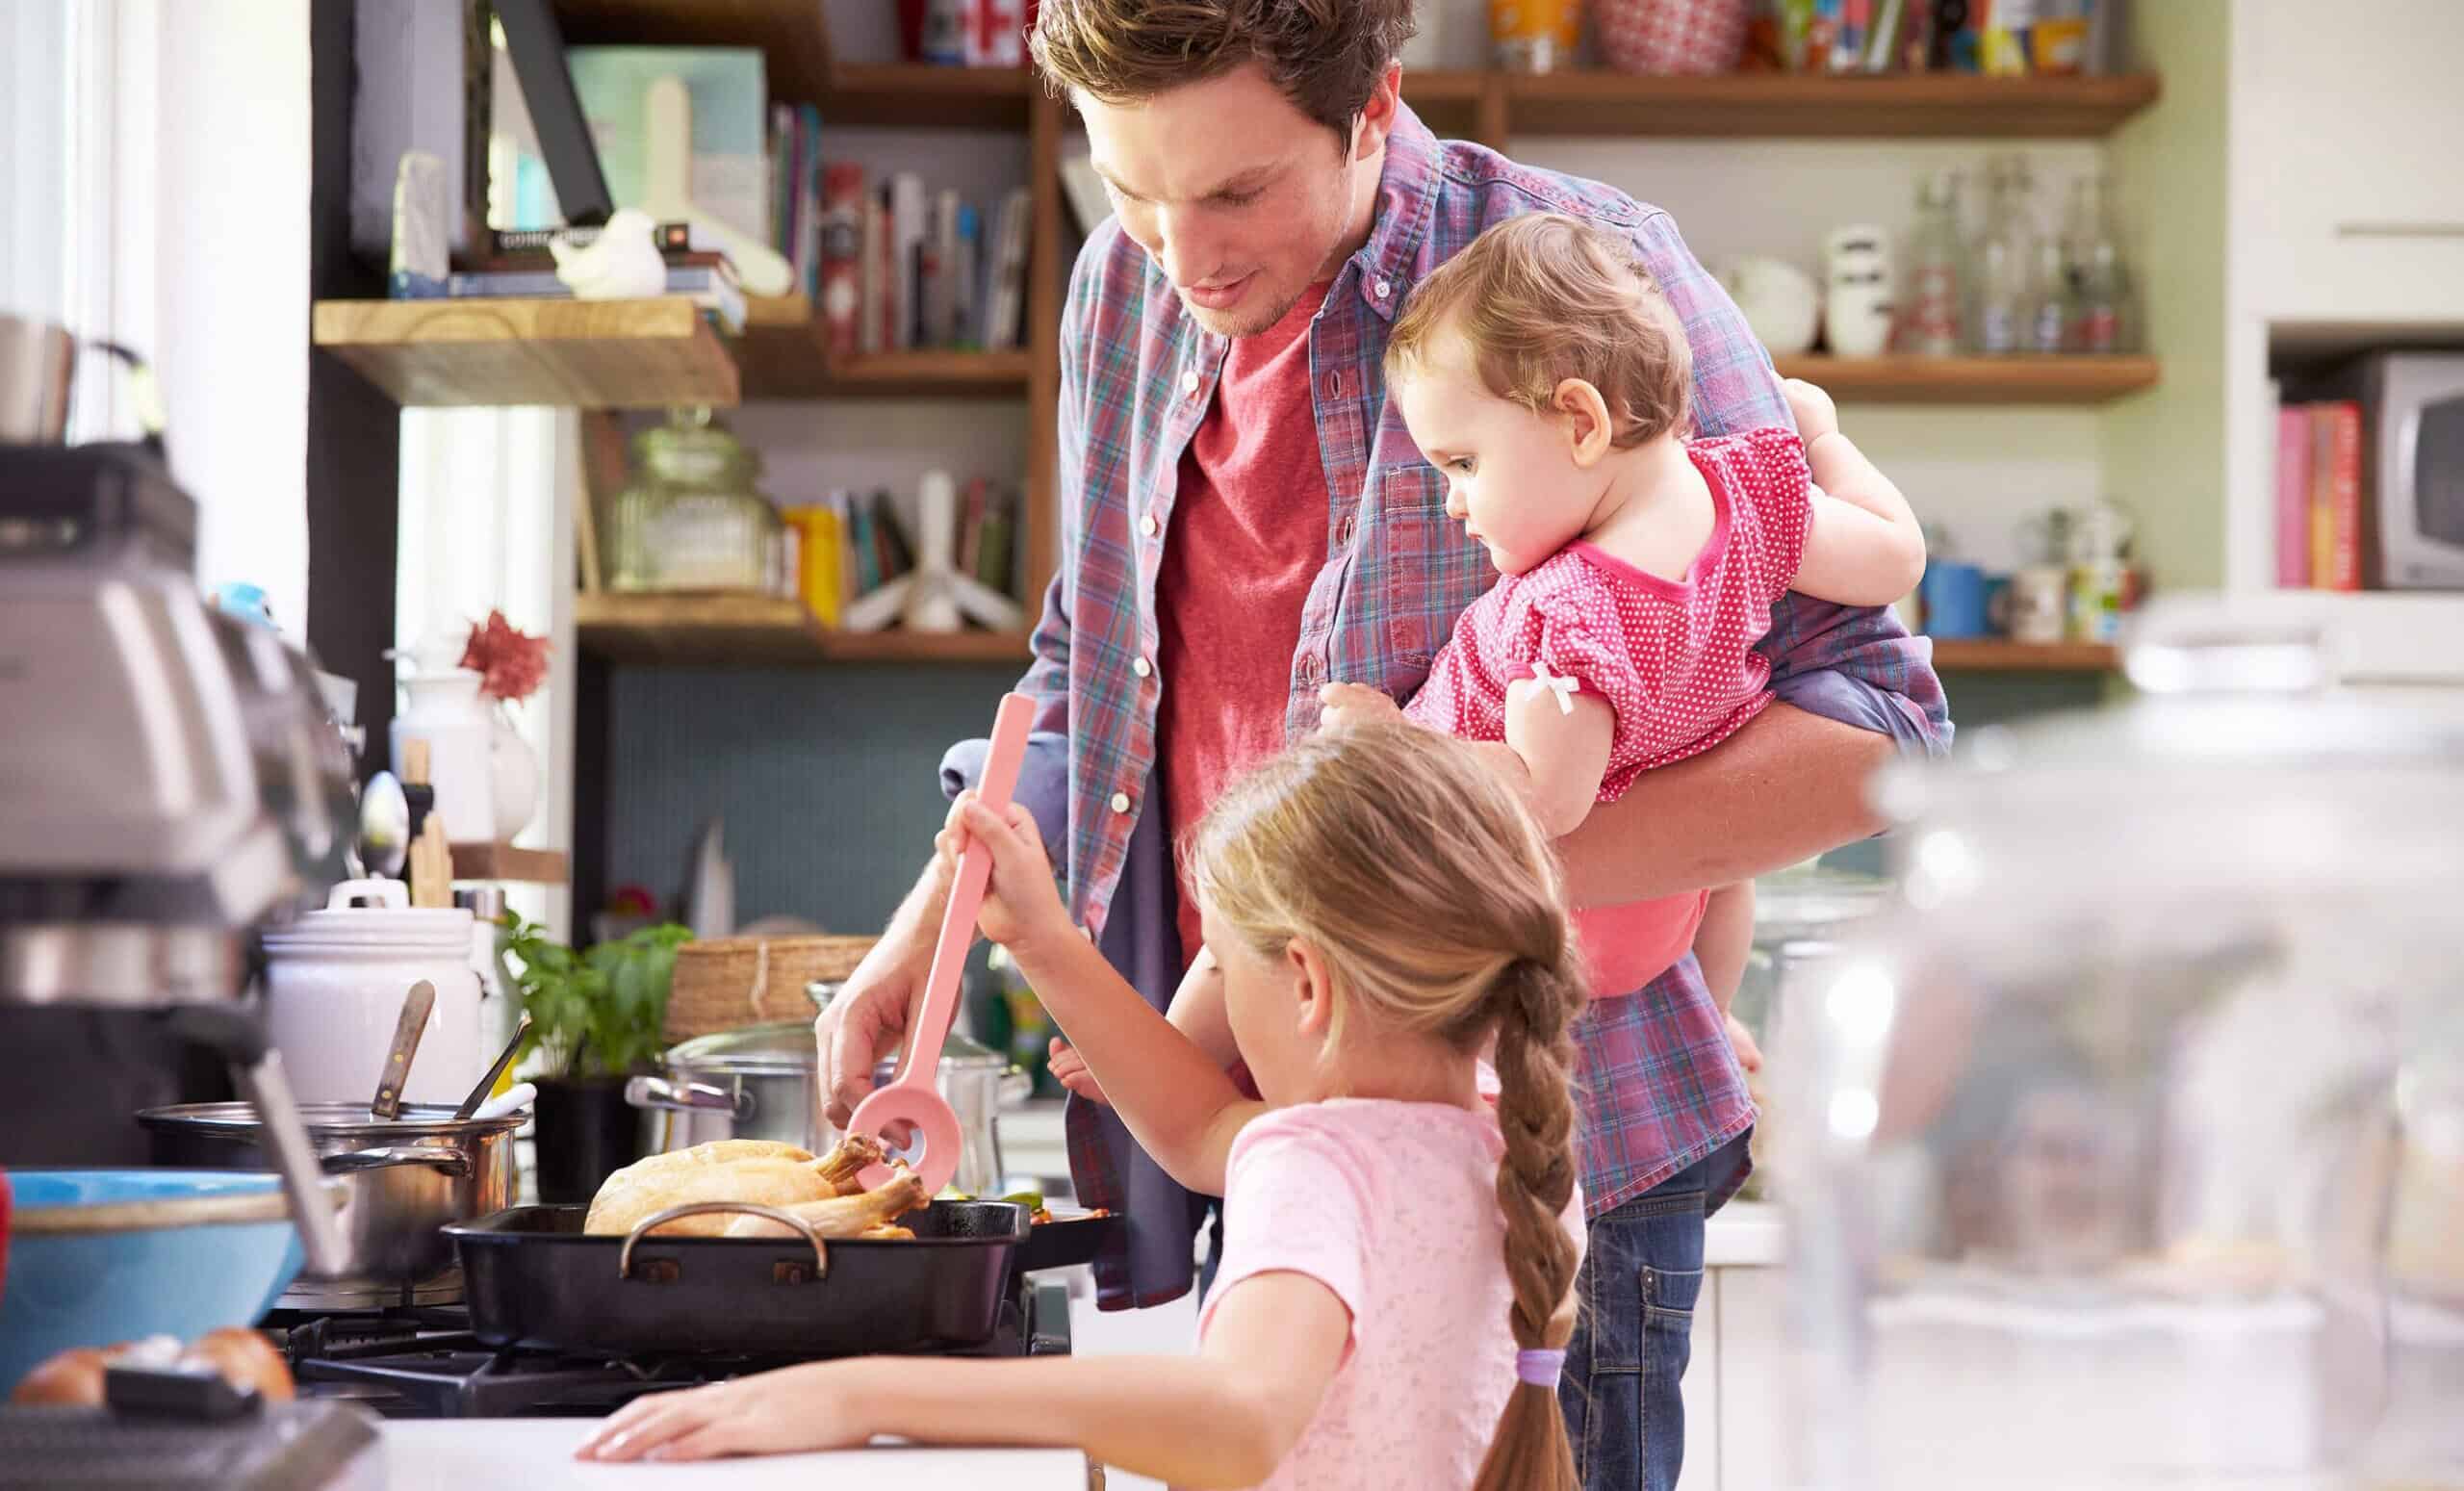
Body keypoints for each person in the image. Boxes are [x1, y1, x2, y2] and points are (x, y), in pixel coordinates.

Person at [813, 4, 1953, 1486]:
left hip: (1568, 1169)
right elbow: (1091, 666)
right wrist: (933, 931)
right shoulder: (1123, 291)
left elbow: (1878, 736)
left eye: (1235, 191)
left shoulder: (1573, 276)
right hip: (1290, 1129)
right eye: (1131, 188)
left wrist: (1421, 882)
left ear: (1373, 109)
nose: (1187, 253)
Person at [582, 726, 1591, 1490]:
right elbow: (1197, 1129)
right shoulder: (1510, 1145)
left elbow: (1239, 1416)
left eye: (1228, 973)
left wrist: (856, 1391)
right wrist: (1046, 942)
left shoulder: (1316, 1160)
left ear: (1307, 986)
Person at [1317, 212, 1925, 1050]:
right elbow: (1895, 559)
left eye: (1462, 463)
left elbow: (1547, 796)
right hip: (1684, 896)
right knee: (1733, 881)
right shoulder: (1751, 496)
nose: (1451, 500)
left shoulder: (1566, 612)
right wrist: (1823, 440)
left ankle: (1180, 1047)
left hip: (1547, 921)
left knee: (1284, 895)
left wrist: (1390, 741)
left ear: (1580, 422)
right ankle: (1711, 1021)